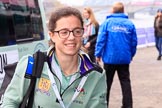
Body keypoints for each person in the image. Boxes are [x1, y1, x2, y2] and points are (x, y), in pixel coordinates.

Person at [1, 7, 107, 108]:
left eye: (77, 31)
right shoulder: (31, 64)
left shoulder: (96, 75)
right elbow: (10, 101)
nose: (71, 37)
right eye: (64, 32)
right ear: (52, 35)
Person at [95, 2, 137, 108]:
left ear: (113, 10)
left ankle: (104, 104)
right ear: (123, 10)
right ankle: (128, 105)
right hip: (124, 58)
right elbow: (134, 42)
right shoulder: (130, 24)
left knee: (106, 83)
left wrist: (98, 54)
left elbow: (101, 40)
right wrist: (131, 54)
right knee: (125, 82)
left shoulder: (107, 23)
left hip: (109, 58)